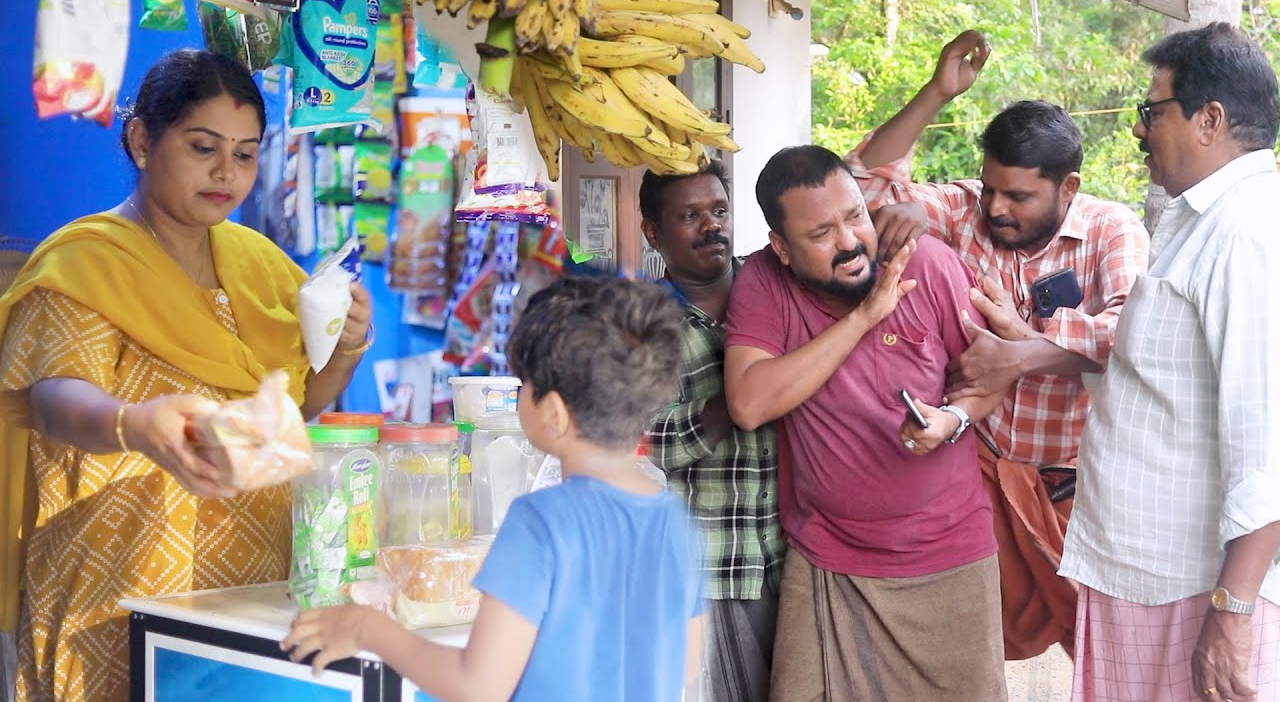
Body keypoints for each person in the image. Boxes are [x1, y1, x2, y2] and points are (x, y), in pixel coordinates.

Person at [0, 49, 372, 702]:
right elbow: (53, 397)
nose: (227, 172)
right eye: (204, 147)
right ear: (143, 140)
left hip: (249, 598)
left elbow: (293, 410)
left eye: (247, 154)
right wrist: (133, 424)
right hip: (117, 591)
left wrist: (345, 350)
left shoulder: (263, 267)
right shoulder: (87, 261)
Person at [846, 30, 1151, 659]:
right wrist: (936, 92)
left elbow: (1136, 332)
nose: (997, 207)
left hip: (1080, 490)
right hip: (978, 478)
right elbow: (864, 188)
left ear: (1068, 190)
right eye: (990, 188)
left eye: (1019, 195)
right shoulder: (966, 213)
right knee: (970, 649)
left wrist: (1023, 348)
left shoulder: (1110, 230)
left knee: (1103, 655)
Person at [283, 276, 706, 702]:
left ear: (554, 413)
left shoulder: (541, 520)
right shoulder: (674, 517)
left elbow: (476, 686)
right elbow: (686, 663)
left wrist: (366, 628)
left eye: (525, 387)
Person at [723, 145, 1008, 702]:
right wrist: (864, 317)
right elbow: (749, 403)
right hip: (829, 561)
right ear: (781, 247)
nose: (850, 242)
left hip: (948, 556)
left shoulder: (925, 262)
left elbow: (993, 373)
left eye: (854, 216)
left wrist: (951, 419)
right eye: (821, 233)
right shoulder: (763, 282)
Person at [1059, 22, 1280, 702]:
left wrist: (1233, 610)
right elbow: (1163, 376)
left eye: (1151, 111)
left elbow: (1267, 445)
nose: (1138, 130)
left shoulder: (1245, 233)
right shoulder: (1203, 222)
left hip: (1192, 591)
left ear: (1210, 120)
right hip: (1150, 580)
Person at [640, 161, 785, 702]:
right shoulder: (639, 324)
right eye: (691, 215)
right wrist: (744, 392)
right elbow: (652, 445)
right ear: (654, 231)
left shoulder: (771, 289)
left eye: (720, 210)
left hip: (791, 557)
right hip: (712, 573)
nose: (712, 226)